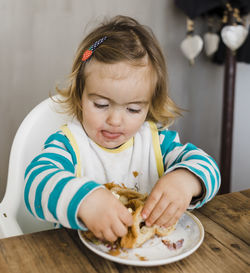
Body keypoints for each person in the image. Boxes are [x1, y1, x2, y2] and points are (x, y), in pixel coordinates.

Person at [24, 15, 220, 243]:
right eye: (101, 105)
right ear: (80, 97)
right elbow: (35, 183)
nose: (115, 120)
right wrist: (86, 199)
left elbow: (209, 168)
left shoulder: (157, 144)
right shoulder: (68, 144)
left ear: (149, 105)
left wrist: (186, 180)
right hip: (77, 258)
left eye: (134, 109)